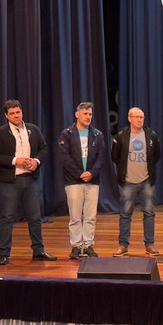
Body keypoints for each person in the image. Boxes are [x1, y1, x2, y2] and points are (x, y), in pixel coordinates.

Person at [0, 100, 56, 265]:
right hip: (10, 182)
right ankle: (3, 253)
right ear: (6, 116)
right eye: (12, 113)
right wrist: (15, 160)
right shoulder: (2, 133)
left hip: (30, 180)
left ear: (21, 112)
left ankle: (39, 251)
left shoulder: (33, 129)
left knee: (35, 217)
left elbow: (44, 149)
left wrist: (36, 161)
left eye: (18, 112)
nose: (16, 116)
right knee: (7, 217)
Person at [57, 102, 106, 259]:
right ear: (77, 115)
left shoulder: (97, 135)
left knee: (90, 216)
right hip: (73, 181)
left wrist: (91, 172)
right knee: (75, 216)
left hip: (92, 181)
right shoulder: (67, 134)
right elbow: (64, 157)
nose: (88, 117)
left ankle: (89, 245)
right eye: (85, 114)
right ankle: (76, 246)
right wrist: (80, 174)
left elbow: (101, 156)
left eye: (90, 114)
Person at [111, 107, 160, 257]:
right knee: (125, 214)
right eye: (137, 117)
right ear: (129, 118)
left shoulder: (151, 135)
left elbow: (156, 155)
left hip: (146, 181)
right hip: (128, 181)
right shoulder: (121, 136)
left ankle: (150, 245)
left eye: (141, 117)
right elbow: (115, 156)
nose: (140, 120)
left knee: (149, 213)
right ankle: (123, 246)